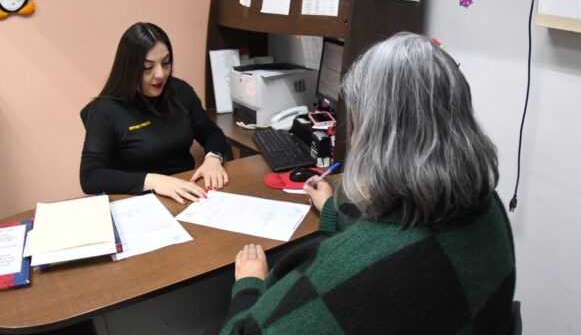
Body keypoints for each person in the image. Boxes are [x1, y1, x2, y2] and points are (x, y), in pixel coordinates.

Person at [220, 33, 516, 334]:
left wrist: (249, 285)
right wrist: (332, 210)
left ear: (375, 135)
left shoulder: (345, 273)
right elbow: (404, 231)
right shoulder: (488, 205)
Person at [80, 22, 228, 204]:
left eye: (166, 63)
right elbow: (90, 177)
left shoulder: (180, 91)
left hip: (187, 194)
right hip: (138, 200)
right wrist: (154, 181)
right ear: (129, 69)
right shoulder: (104, 110)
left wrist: (213, 158)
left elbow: (211, 133)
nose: (160, 74)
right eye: (147, 67)